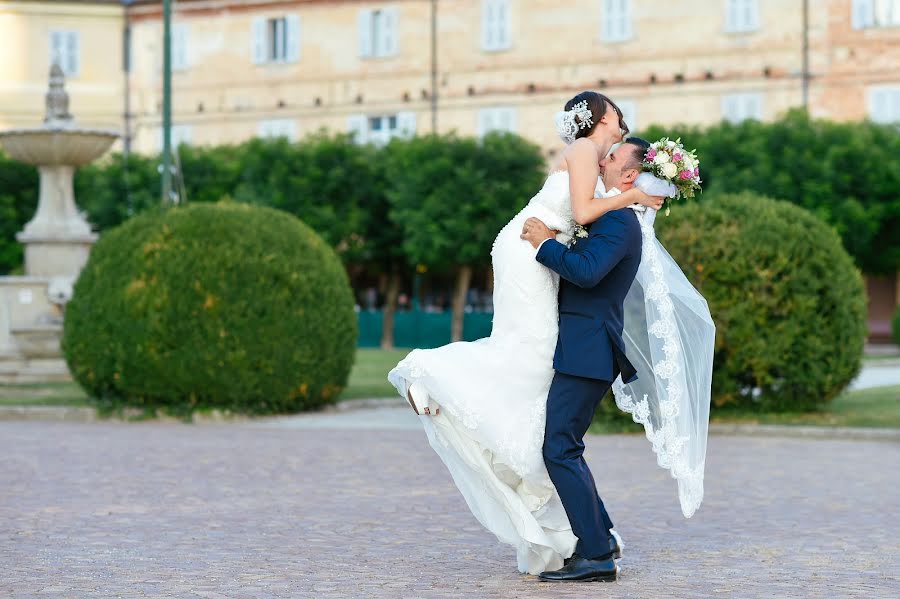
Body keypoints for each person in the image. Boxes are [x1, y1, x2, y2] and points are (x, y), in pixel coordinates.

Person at [388, 91, 664, 576]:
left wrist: (547, 242)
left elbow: (586, 263)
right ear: (599, 118)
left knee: (555, 440)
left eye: (618, 158)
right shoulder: (596, 171)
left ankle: (598, 550)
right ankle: (600, 542)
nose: (620, 129)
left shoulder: (619, 220)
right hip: (555, 300)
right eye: (617, 120)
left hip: (581, 337)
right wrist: (629, 198)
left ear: (626, 174)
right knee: (550, 425)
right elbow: (582, 222)